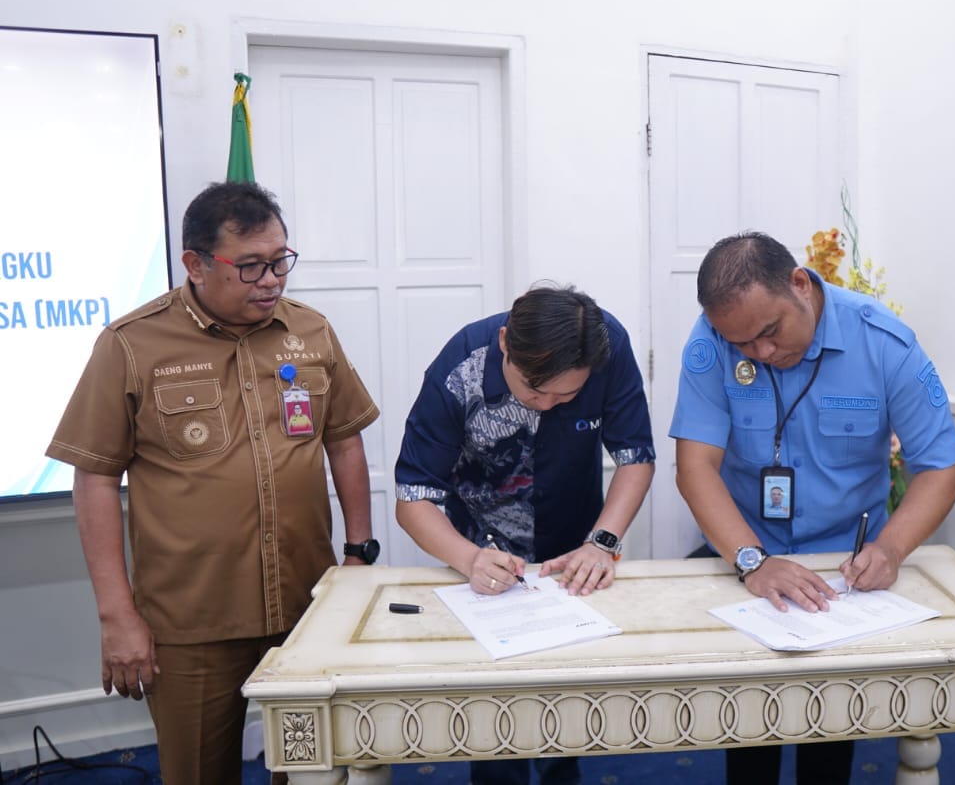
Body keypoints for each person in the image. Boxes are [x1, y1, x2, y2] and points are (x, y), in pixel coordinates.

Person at [45, 182, 380, 785]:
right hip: (192, 620)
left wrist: (359, 552)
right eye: (250, 266)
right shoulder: (132, 344)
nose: (271, 280)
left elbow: (344, 438)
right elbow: (94, 476)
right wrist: (117, 616)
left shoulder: (311, 331)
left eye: (280, 260)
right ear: (196, 265)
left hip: (306, 606)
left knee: (313, 773)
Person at [669, 231, 955, 785]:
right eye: (742, 343)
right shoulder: (711, 342)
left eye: (769, 332)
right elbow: (695, 467)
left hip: (844, 571)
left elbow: (942, 466)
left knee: (829, 734)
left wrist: (891, 549)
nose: (760, 353)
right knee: (749, 729)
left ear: (800, 284)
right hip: (748, 560)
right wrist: (753, 562)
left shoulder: (882, 341)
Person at [395, 284, 656, 785]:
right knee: (495, 713)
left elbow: (635, 457)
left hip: (573, 548)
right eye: (535, 391)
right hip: (481, 550)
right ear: (504, 345)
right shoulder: (461, 366)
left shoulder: (608, 347)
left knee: (567, 706)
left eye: (567, 395)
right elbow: (413, 498)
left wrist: (602, 542)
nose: (546, 404)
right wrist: (469, 558)